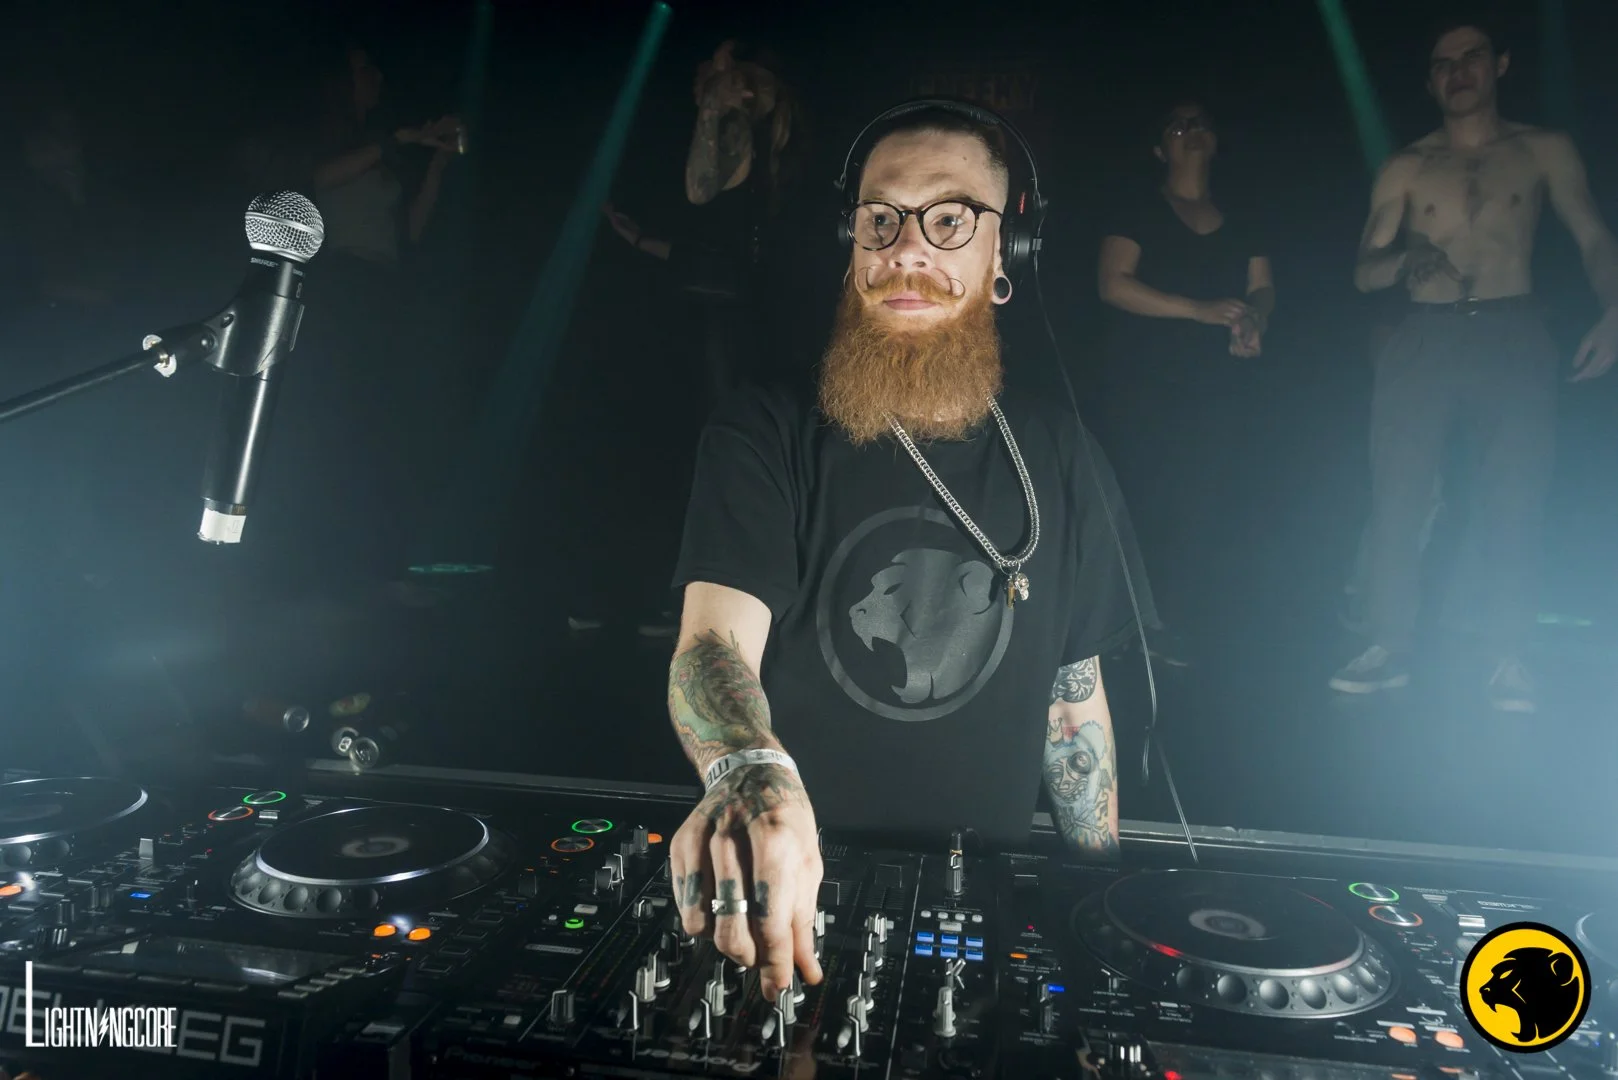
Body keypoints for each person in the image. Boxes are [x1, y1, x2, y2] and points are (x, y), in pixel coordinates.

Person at [663, 104, 1151, 1002]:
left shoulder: (1063, 453)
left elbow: (1073, 702)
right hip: (786, 907)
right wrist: (748, 769)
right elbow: (712, 646)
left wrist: (1100, 905)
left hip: (981, 916)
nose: (907, 250)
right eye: (880, 219)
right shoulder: (762, 429)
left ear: (1008, 256)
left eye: (950, 219)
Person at [1330, 19, 1618, 712]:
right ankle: (1388, 644)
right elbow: (1364, 271)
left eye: (1472, 57)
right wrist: (1404, 259)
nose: (1458, 71)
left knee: (1515, 498)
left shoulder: (1542, 149)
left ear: (1500, 65)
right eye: (1443, 63)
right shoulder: (1406, 165)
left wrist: (1614, 311)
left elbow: (1592, 235)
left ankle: (1507, 656)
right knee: (1399, 497)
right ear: (1431, 82)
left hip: (1513, 331)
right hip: (1424, 336)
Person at [1095, 101, 1274, 663]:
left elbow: (1262, 285)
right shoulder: (1141, 207)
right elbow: (1113, 283)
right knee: (1147, 497)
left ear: (1215, 140)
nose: (1191, 132)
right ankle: (1127, 625)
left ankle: (1178, 621)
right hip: (1147, 383)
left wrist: (1255, 319)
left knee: (1207, 498)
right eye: (1178, 126)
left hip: (1218, 383)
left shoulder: (1240, 212)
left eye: (1200, 124)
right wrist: (1197, 310)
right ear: (1160, 148)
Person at [601, 39, 805, 401]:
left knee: (714, 415)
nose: (698, 80)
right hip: (728, 311)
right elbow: (715, 256)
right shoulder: (760, 148)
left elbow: (698, 190)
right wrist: (639, 239)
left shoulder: (737, 132)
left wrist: (713, 103)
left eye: (708, 75)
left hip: (714, 319)